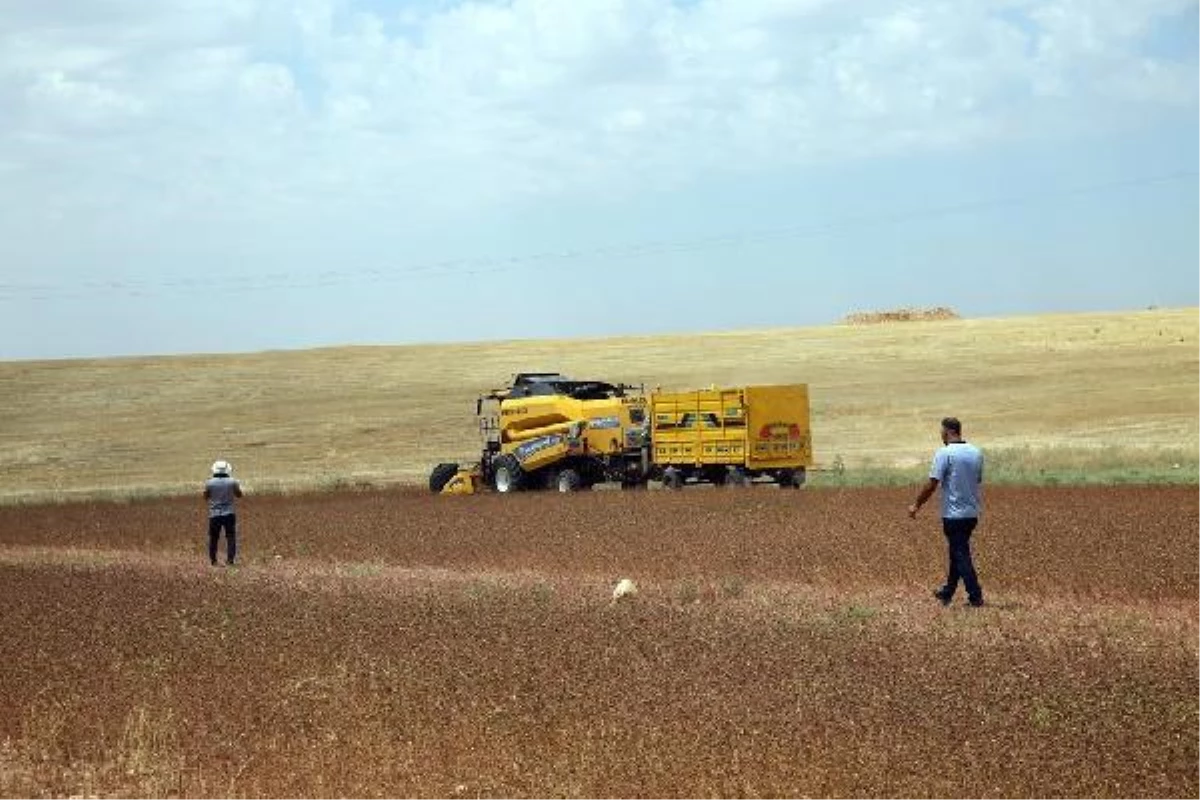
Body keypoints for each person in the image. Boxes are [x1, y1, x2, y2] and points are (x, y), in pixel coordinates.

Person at [908, 418, 985, 606]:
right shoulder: (976, 453)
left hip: (953, 514)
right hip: (972, 514)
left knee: (960, 554)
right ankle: (947, 592)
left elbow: (932, 484)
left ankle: (975, 596)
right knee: (956, 553)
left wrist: (917, 504)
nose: (941, 435)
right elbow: (978, 480)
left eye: (942, 432)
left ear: (949, 431)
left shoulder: (945, 453)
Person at [204, 459, 243, 566]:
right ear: (227, 470)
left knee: (213, 538)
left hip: (214, 514)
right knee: (231, 537)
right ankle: (230, 561)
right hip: (229, 513)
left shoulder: (209, 483)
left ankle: (213, 561)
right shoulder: (233, 481)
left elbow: (205, 497)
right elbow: (239, 495)